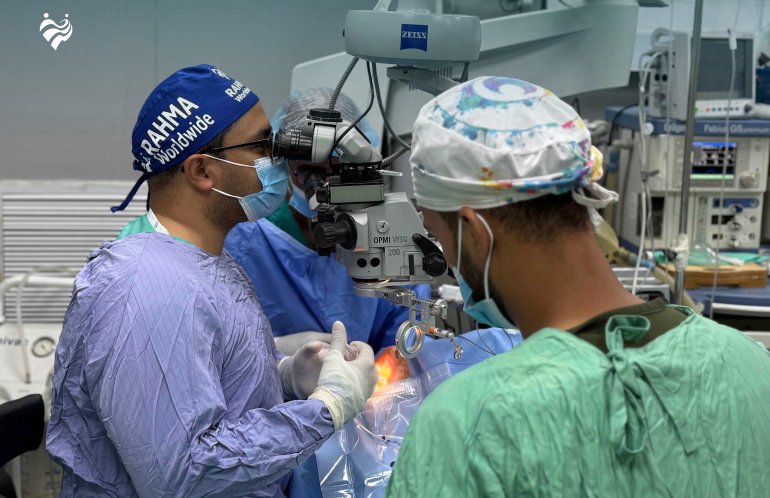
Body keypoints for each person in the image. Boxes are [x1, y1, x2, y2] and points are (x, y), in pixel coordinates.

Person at [385, 77, 770, 497]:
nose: (448, 260)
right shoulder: (749, 363)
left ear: (475, 230)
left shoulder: (466, 424)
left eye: (439, 236)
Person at [46, 65, 377, 498]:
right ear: (202, 171)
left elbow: (211, 392)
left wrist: (283, 376)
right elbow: (181, 476)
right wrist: (326, 408)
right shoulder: (147, 288)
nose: (279, 160)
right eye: (263, 145)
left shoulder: (208, 263)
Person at [224, 87, 430, 356]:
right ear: (281, 162)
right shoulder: (241, 239)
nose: (326, 186)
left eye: (340, 171)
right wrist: (276, 354)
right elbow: (219, 341)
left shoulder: (387, 229)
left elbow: (407, 334)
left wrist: (383, 368)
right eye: (309, 171)